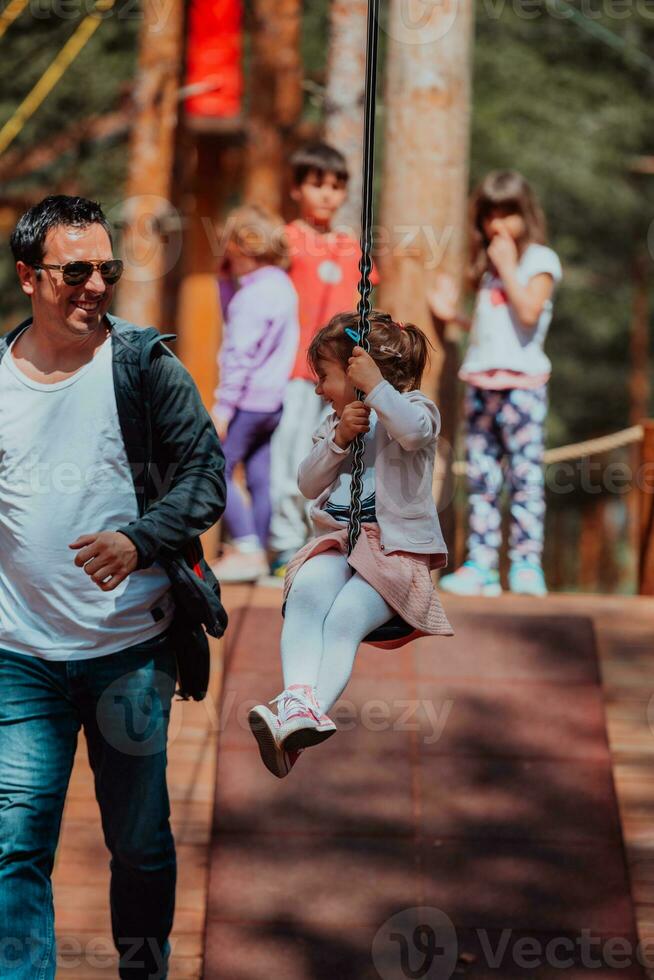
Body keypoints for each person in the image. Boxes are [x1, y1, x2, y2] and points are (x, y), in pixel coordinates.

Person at [0, 195, 225, 979]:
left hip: (129, 652)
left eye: (108, 268)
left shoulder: (144, 364)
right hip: (18, 656)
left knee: (139, 843)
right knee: (15, 843)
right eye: (75, 270)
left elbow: (205, 476)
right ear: (30, 276)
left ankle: (143, 971)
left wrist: (139, 540)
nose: (96, 285)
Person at [248, 311, 453, 778]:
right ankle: (299, 704)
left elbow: (415, 432)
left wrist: (378, 390)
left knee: (343, 617)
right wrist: (339, 439)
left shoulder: (416, 408)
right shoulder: (337, 421)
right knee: (305, 593)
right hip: (341, 543)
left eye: (324, 376)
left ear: (361, 371)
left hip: (395, 554)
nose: (318, 388)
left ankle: (301, 711)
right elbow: (306, 482)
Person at [428, 170, 562, 597]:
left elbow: (527, 314)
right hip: (481, 383)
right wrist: (454, 316)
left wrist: (506, 266)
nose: (498, 224)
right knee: (483, 478)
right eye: (490, 215)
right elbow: (494, 330)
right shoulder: (487, 272)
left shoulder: (540, 261)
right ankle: (481, 565)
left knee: (524, 478)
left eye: (508, 213)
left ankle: (525, 564)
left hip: (523, 387)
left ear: (526, 215)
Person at [268, 142, 379, 576]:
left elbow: (363, 305)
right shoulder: (284, 241)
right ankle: (281, 542)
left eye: (336, 186)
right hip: (294, 370)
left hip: (339, 375)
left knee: (333, 450)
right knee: (290, 451)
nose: (328, 195)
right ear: (297, 189)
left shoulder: (351, 248)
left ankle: (323, 539)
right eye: (317, 185)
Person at [210, 205, 299, 582]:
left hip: (245, 401)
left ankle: (245, 545)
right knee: (261, 475)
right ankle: (261, 553)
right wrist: (225, 281)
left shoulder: (251, 299)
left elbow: (238, 356)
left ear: (241, 247)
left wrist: (223, 408)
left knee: (215, 467)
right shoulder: (281, 285)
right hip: (274, 401)